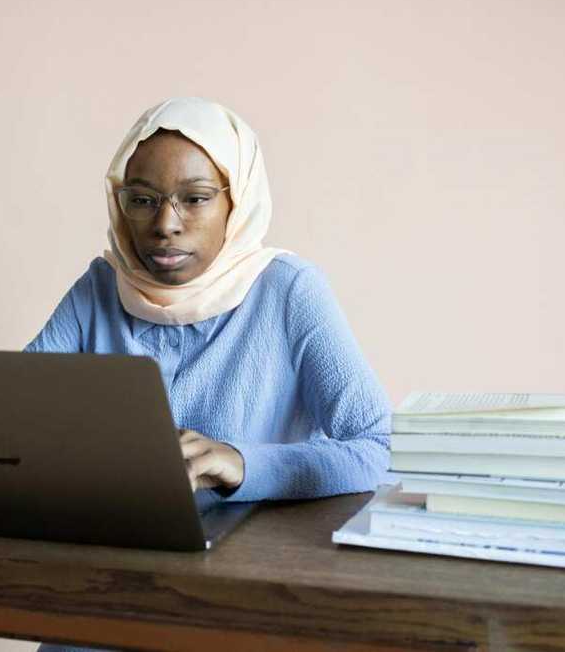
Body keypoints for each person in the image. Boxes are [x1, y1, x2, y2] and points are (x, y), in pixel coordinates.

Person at [26, 97, 391, 652]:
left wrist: (244, 462)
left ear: (235, 203)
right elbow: (9, 416)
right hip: (106, 586)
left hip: (241, 598)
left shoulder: (288, 291)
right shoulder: (101, 287)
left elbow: (377, 448)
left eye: (194, 199)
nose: (165, 225)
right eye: (141, 200)